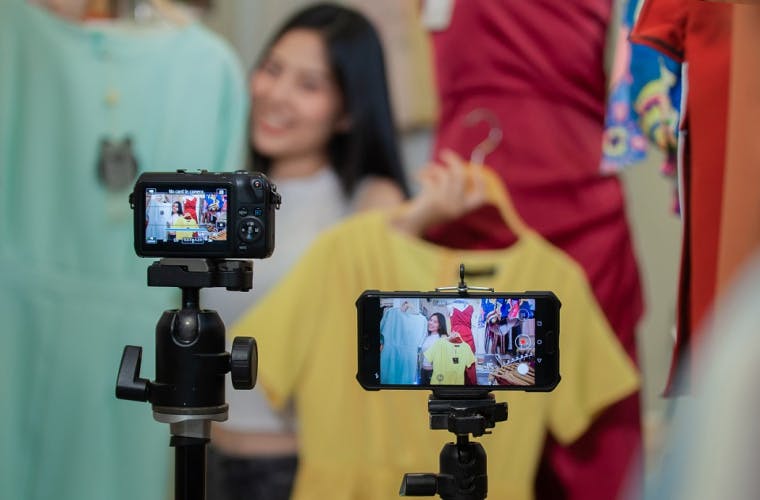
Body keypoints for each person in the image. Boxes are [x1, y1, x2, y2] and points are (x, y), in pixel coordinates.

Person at [203, 4, 409, 499]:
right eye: (272, 70)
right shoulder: (222, 193)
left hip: (296, 471)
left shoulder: (367, 204)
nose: (275, 95)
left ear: (348, 111)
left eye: (309, 85)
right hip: (206, 456)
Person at [418, 312, 448, 385]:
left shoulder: (443, 338)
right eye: (430, 320)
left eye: (435, 322)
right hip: (423, 371)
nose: (431, 323)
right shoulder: (426, 337)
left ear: (440, 325)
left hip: (434, 372)